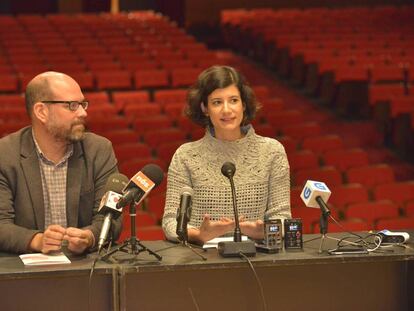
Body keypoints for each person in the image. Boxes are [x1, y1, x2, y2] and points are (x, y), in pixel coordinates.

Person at [162, 65, 291, 244]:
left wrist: (262, 231)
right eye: (217, 102)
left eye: (233, 100)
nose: (227, 110)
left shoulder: (272, 152)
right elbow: (170, 223)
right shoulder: (185, 156)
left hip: (259, 259)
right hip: (201, 261)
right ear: (204, 108)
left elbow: (283, 217)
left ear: (244, 105)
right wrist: (198, 235)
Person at [0, 71, 121, 254]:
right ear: (41, 112)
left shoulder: (99, 150)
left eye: (82, 104)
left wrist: (89, 237)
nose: (83, 112)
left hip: (84, 270)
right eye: (72, 106)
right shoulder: (5, 154)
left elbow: (111, 217)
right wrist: (37, 240)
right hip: (22, 273)